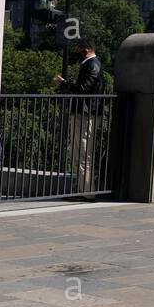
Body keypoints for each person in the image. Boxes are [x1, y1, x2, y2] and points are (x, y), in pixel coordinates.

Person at [54, 39, 103, 196]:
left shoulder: (93, 64)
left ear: (87, 49)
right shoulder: (89, 64)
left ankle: (87, 193)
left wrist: (64, 83)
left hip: (86, 115)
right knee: (76, 154)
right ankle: (83, 191)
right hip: (82, 113)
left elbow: (83, 89)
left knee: (82, 154)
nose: (76, 51)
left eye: (78, 48)